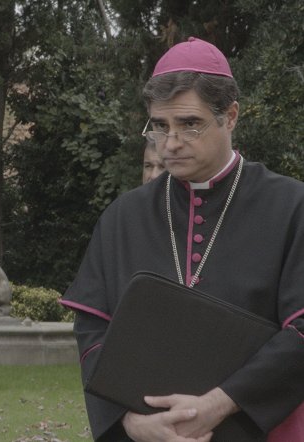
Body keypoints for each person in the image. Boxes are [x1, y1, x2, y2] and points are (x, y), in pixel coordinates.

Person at [61, 37, 304, 441]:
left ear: (231, 116)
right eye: (160, 126)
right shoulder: (124, 216)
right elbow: (92, 331)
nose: (170, 143)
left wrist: (220, 403)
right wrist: (129, 422)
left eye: (189, 124)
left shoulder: (292, 206)